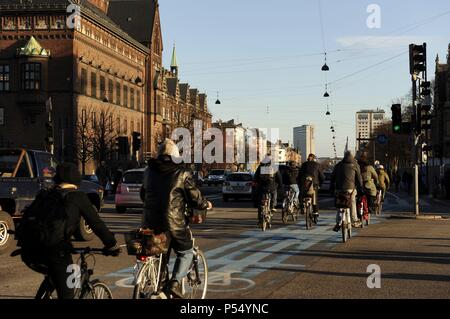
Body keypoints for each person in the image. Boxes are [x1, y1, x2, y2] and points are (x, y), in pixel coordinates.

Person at [20, 162, 120, 299]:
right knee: (67, 292)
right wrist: (112, 244)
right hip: (55, 253)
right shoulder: (78, 196)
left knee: (54, 276)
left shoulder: (45, 194)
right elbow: (96, 224)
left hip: (28, 252)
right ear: (76, 179)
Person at [141, 139, 212, 298]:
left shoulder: (148, 171)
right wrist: (205, 204)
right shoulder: (182, 173)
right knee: (186, 252)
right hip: (173, 224)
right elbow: (195, 198)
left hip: (149, 223)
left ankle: (156, 285)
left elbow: (143, 195)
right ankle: (174, 283)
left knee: (159, 252)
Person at [330, 151, 364, 231]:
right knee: (352, 202)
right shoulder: (355, 165)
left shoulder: (338, 165)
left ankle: (338, 222)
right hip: (350, 189)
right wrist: (360, 189)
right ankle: (355, 220)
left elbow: (332, 178)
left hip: (339, 189)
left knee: (340, 205)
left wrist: (331, 188)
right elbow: (359, 179)